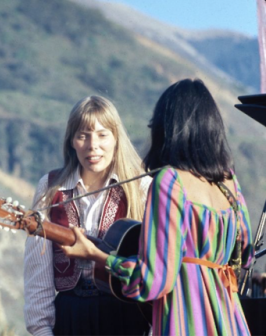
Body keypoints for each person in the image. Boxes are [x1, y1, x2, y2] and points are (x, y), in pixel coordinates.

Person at [61, 79, 254, 335]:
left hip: (186, 322)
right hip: (230, 320)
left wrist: (96, 256)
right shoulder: (229, 182)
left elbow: (152, 281)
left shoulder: (170, 181)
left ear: (168, 128)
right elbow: (245, 256)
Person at [24, 95, 152, 335]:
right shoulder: (51, 187)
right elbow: (37, 271)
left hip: (126, 315)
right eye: (83, 135)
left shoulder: (141, 187)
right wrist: (41, 329)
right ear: (72, 141)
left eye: (103, 134)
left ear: (116, 139)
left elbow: (155, 267)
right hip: (70, 315)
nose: (93, 145)